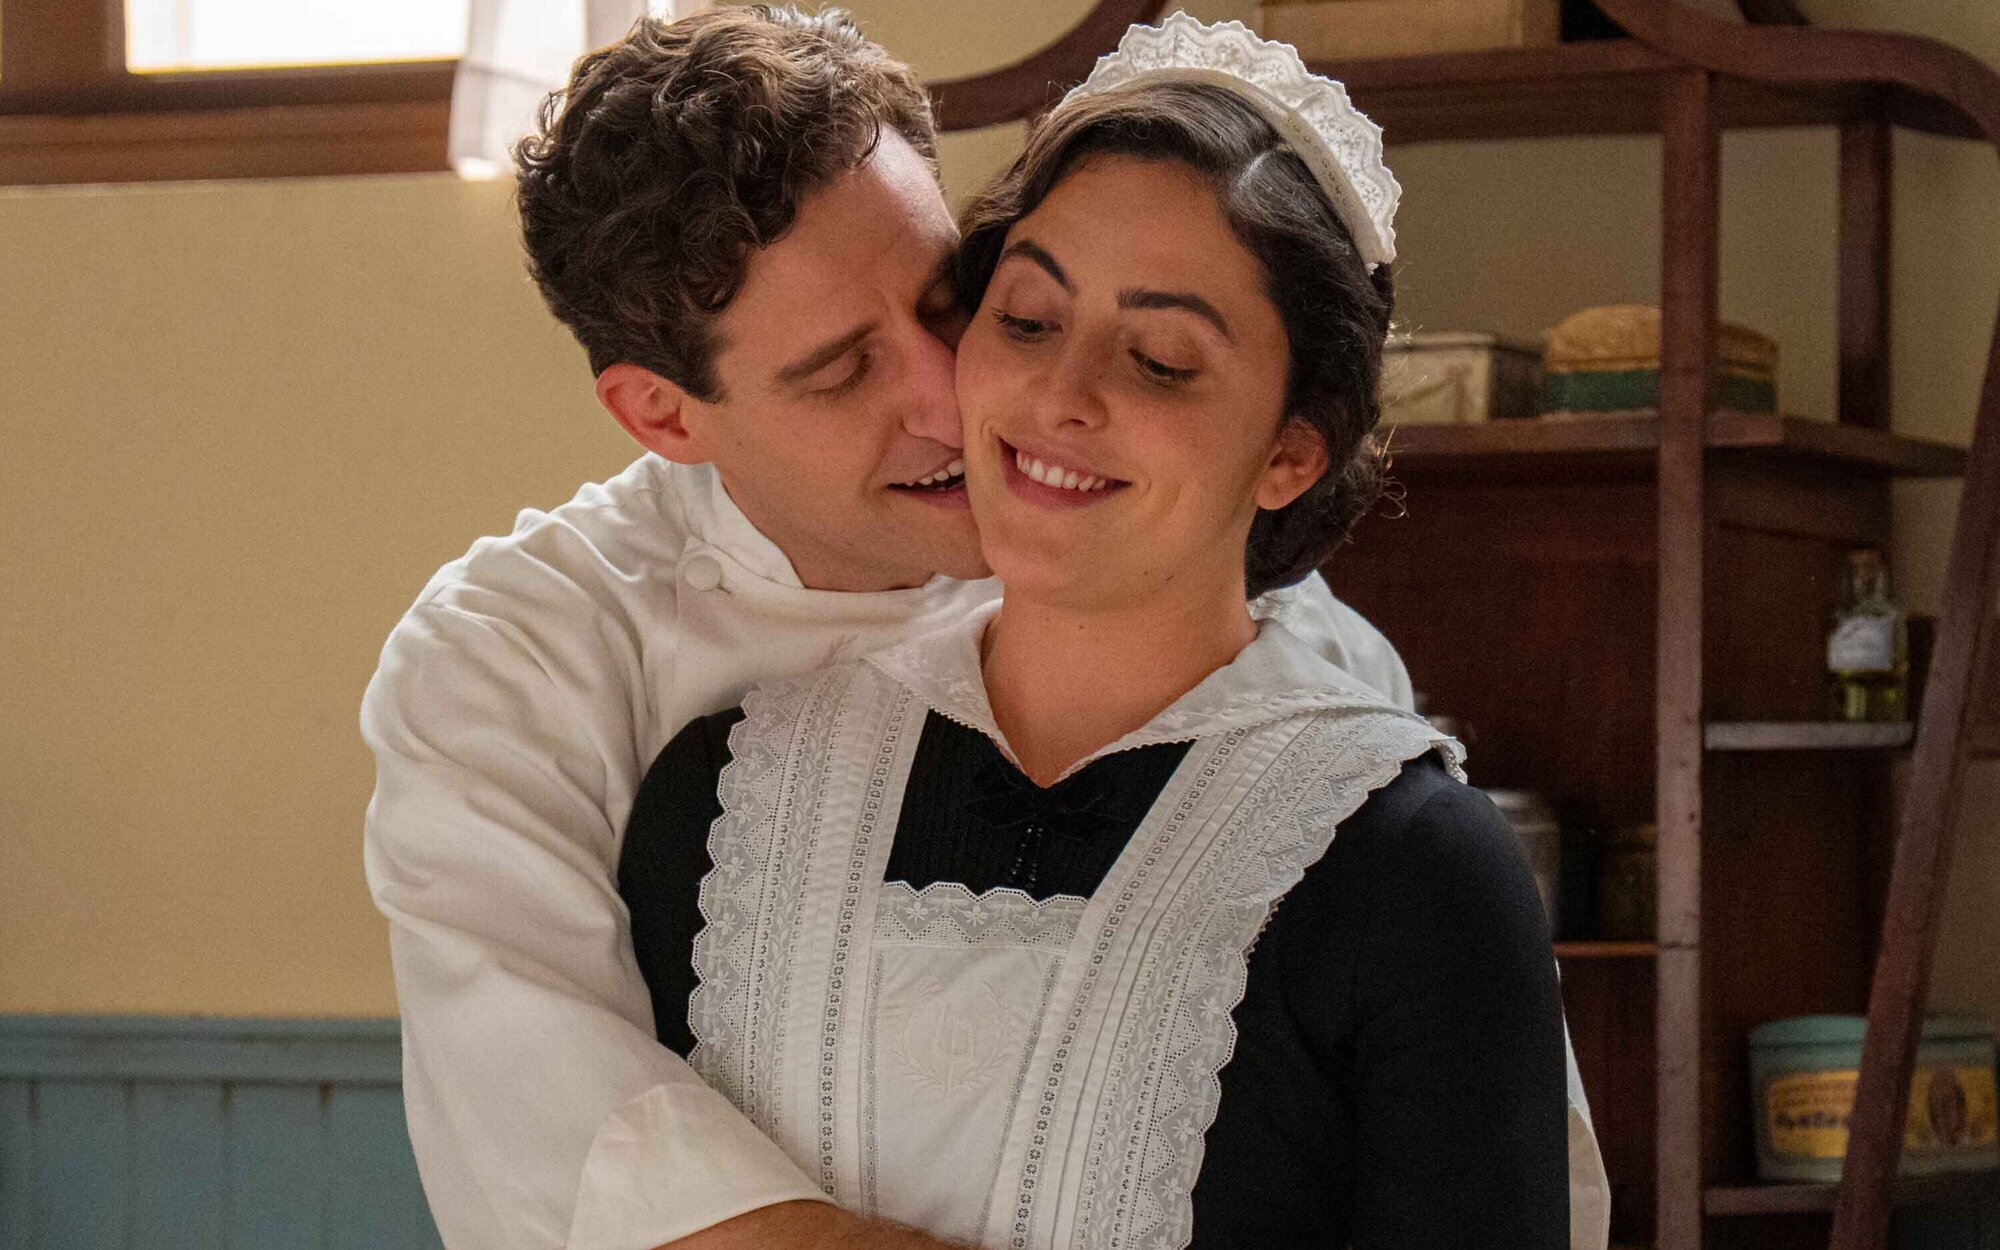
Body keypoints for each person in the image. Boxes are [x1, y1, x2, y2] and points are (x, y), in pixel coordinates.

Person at [359, 8, 1414, 1249]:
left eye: (949, 302)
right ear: (661, 415)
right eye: (840, 370)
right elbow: (586, 1164)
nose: (949, 396)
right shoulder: (513, 660)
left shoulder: (1283, 643)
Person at [616, 15, 1600, 1248]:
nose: (1060, 395)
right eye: (1027, 320)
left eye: (1160, 360)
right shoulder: (726, 795)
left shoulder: (1411, 870)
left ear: (1292, 449)